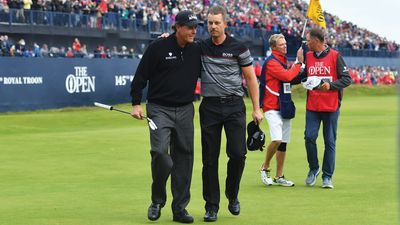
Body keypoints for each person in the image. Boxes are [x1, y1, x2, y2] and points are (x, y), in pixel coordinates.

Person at [130, 10, 201, 223]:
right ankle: (157, 200)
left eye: (195, 27)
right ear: (177, 27)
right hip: (159, 109)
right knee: (160, 153)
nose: (193, 31)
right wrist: (135, 103)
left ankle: (179, 209)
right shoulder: (158, 47)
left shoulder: (197, 49)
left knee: (184, 159)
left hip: (186, 109)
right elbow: (140, 77)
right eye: (189, 27)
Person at [199, 6, 263, 222]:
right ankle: (211, 206)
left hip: (235, 106)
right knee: (209, 159)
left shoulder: (239, 47)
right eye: (210, 23)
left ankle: (232, 195)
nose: (213, 26)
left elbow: (251, 79)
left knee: (237, 154)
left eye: (217, 22)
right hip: (209, 107)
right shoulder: (200, 47)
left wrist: (256, 107)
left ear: (225, 23)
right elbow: (179, 44)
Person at [298, 28, 351, 189]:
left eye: (309, 40)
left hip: (331, 106)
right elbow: (300, 77)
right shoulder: (307, 57)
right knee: (309, 137)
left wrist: (331, 86)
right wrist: (299, 63)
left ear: (317, 41)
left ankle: (327, 176)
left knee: (329, 141)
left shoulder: (336, 56)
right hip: (313, 106)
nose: (307, 43)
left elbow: (347, 79)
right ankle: (314, 168)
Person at [259, 34, 304, 187]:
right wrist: (298, 63)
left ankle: (279, 176)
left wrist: (302, 70)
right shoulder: (272, 62)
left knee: (283, 143)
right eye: (281, 44)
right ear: (273, 47)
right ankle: (265, 167)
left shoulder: (282, 61)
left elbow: (291, 78)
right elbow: (286, 76)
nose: (285, 46)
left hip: (284, 105)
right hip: (271, 105)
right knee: (277, 139)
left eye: (285, 43)